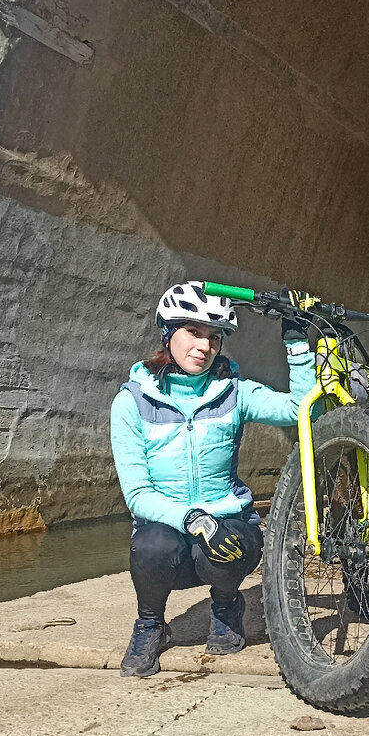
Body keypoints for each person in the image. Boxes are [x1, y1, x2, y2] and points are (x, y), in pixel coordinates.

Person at [109, 281, 316, 676]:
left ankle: (226, 606)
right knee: (150, 547)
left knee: (229, 544)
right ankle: (151, 625)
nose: (204, 346)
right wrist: (192, 519)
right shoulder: (131, 402)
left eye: (215, 337)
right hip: (170, 531)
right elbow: (137, 494)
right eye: (193, 332)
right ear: (168, 334)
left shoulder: (234, 392)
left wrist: (296, 344)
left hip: (227, 525)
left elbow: (300, 410)